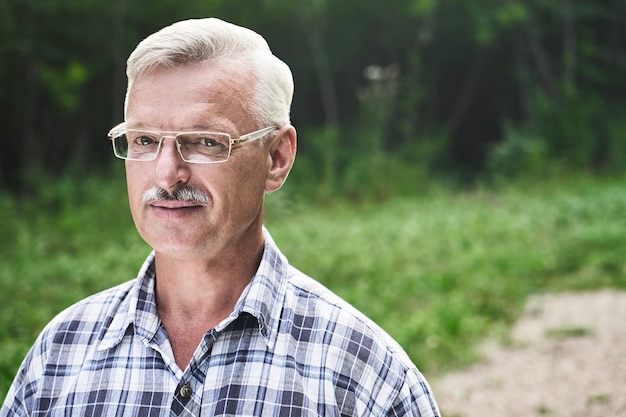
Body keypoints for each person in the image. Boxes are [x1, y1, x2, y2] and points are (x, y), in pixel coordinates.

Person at [0, 18, 440, 416]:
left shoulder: (366, 378)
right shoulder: (58, 357)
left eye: (206, 142)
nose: (167, 173)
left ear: (277, 158)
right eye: (145, 140)